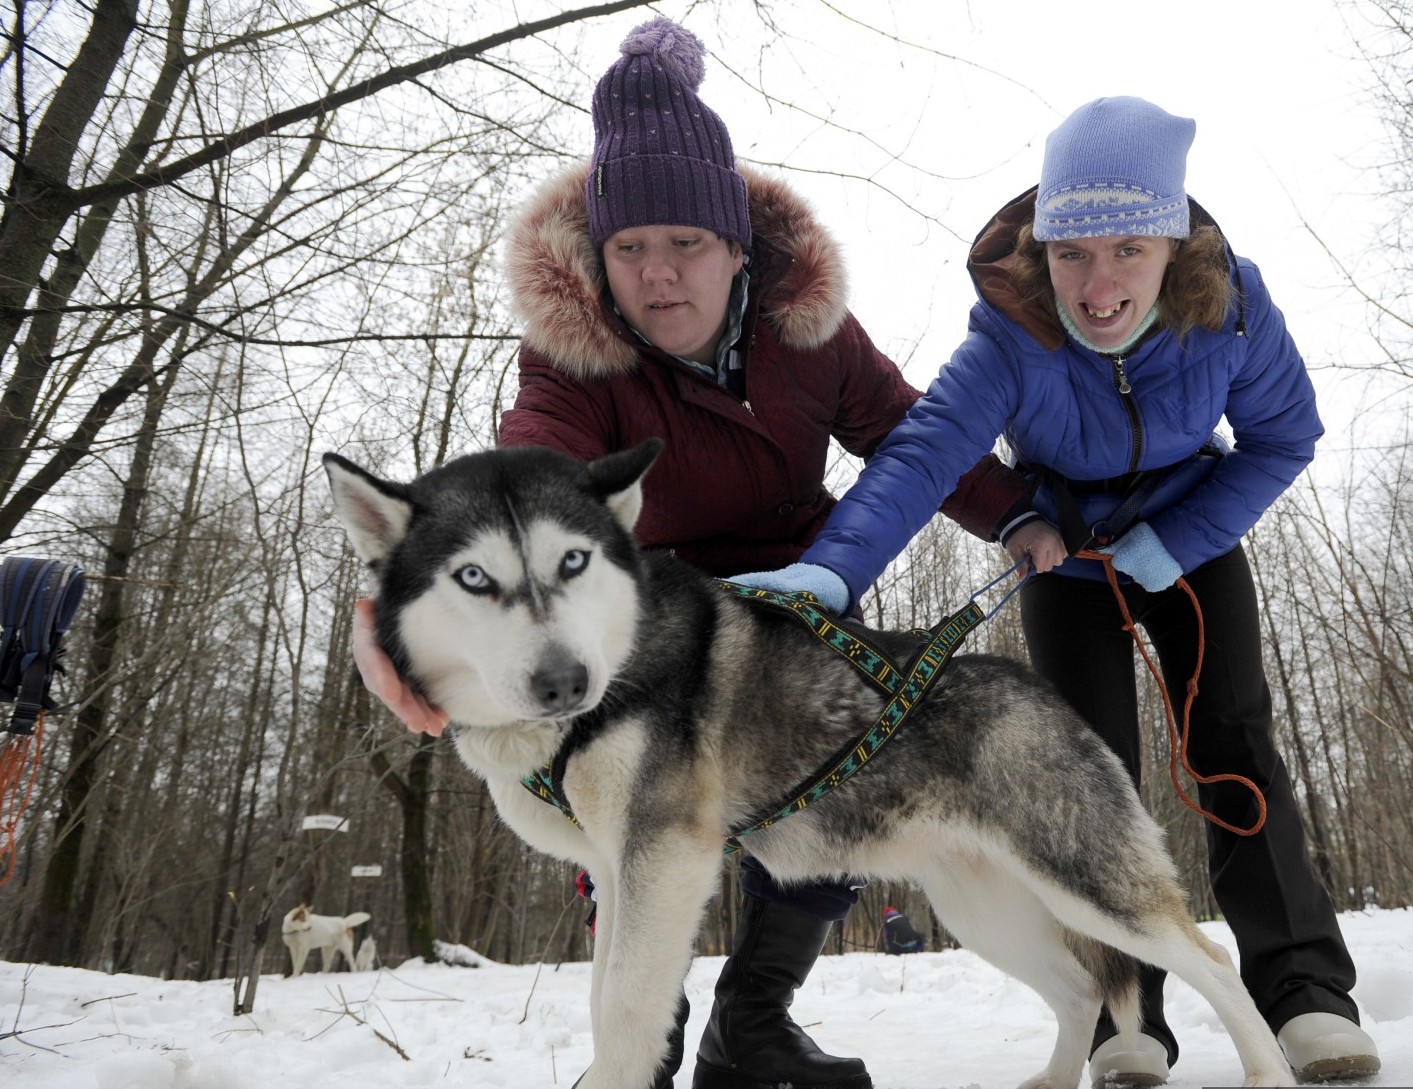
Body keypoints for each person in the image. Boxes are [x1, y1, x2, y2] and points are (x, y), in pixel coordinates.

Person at [350, 17, 1033, 1089]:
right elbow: (531, 474)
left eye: (685, 245)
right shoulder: (572, 360)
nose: (658, 276)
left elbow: (909, 431)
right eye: (629, 249)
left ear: (735, 247)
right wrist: (400, 596)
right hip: (658, 609)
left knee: (832, 794)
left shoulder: (811, 332)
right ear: (598, 257)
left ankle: (751, 1021)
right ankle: (645, 1038)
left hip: (802, 590)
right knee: (618, 795)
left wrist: (1021, 517)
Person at [733, 97, 1380, 1086]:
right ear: (1042, 254)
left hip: (1188, 541)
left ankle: (1304, 996)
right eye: (1072, 252)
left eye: (1126, 248)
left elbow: (1284, 439)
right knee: (1085, 784)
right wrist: (832, 570)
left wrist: (1180, 538)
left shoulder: (1229, 310)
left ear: (1170, 245)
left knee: (1232, 745)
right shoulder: (1011, 332)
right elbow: (919, 456)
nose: (1098, 282)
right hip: (1067, 556)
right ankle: (1129, 1018)